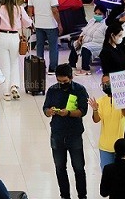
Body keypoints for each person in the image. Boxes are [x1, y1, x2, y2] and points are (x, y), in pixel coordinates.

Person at [42, 64, 89, 199]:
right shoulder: (52, 90)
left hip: (74, 134)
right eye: (59, 81)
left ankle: (82, 195)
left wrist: (68, 113)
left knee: (79, 168)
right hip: (57, 134)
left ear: (71, 77)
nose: (62, 84)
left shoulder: (79, 90)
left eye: (65, 81)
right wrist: (49, 112)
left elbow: (83, 111)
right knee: (60, 168)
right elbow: (45, 108)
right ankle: (64, 195)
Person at [0, 0, 32, 101]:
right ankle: (14, 86)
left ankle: (6, 91)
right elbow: (28, 23)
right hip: (14, 37)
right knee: (14, 62)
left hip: (2, 37)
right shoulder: (20, 9)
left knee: (5, 64)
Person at [89, 75, 125, 169]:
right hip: (105, 146)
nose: (105, 86)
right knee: (107, 175)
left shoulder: (124, 99)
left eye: (108, 83)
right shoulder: (101, 101)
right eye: (103, 84)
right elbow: (96, 120)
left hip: (122, 145)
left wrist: (121, 99)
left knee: (123, 175)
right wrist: (95, 110)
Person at [28, 0, 63, 74]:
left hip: (38, 24)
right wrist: (59, 24)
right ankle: (53, 68)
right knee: (53, 47)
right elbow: (55, 10)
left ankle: (40, 66)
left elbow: (30, 9)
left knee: (39, 46)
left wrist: (30, 23)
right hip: (51, 24)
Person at [68, 5, 107, 75]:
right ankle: (72, 65)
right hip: (87, 41)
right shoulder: (92, 20)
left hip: (99, 44)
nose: (97, 15)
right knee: (76, 43)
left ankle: (85, 69)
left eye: (99, 14)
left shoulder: (106, 24)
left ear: (104, 15)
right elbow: (85, 30)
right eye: (96, 13)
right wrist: (80, 37)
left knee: (86, 47)